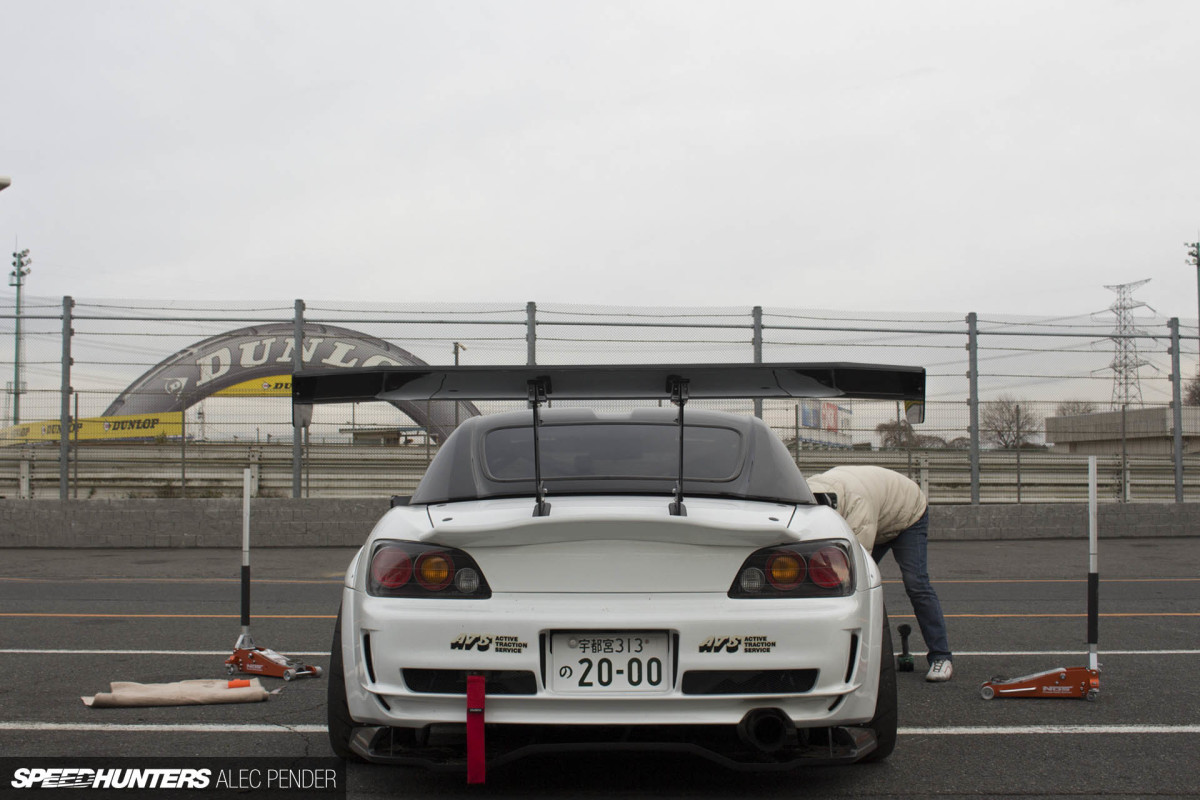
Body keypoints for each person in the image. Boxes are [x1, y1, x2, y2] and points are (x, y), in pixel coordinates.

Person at [804, 465, 953, 682]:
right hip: (880, 513)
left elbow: (854, 571)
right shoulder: (808, 494)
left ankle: (941, 657)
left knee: (915, 584)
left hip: (907, 514)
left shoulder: (857, 506)